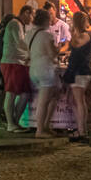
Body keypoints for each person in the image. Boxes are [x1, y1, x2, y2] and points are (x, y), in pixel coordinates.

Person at [25, 8, 60, 137]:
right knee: (43, 101)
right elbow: (52, 54)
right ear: (46, 20)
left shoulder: (29, 34)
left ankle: (45, 125)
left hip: (33, 68)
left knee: (55, 95)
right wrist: (58, 49)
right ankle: (40, 130)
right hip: (46, 70)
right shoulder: (47, 35)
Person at [0, 5, 34, 132]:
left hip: (19, 62)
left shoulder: (18, 25)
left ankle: (15, 121)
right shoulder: (15, 24)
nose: (32, 18)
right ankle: (10, 123)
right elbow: (20, 43)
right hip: (12, 62)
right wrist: (32, 52)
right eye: (32, 15)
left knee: (24, 93)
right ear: (26, 13)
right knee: (11, 93)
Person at [63, 11, 91, 142]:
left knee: (79, 102)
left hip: (79, 72)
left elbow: (72, 45)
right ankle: (81, 129)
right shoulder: (87, 36)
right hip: (84, 71)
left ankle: (82, 131)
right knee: (77, 101)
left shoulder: (81, 36)